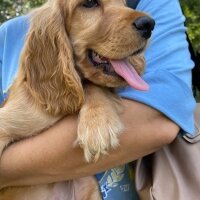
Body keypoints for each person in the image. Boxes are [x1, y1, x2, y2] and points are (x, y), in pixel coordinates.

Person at [0, 0, 196, 199]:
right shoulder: (8, 36)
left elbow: (157, 122)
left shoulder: (154, 4)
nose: (129, 14)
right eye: (90, 3)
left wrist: (97, 95)